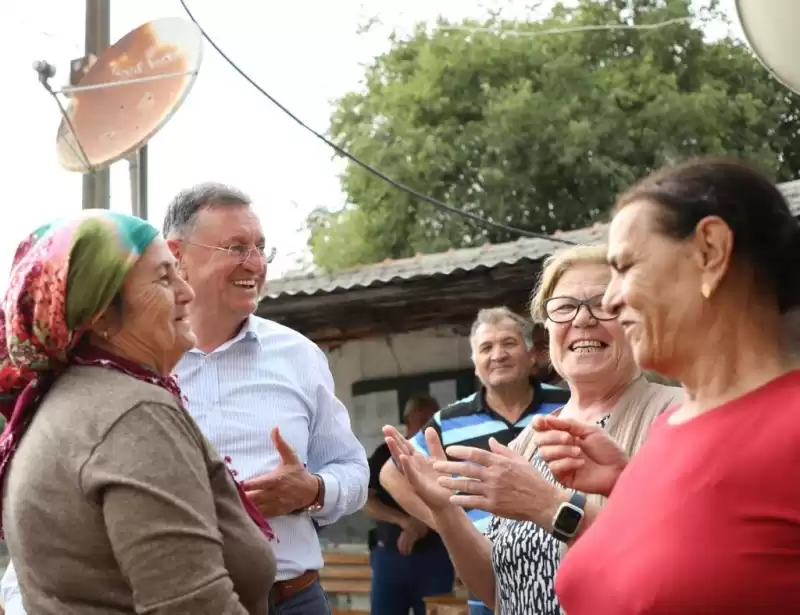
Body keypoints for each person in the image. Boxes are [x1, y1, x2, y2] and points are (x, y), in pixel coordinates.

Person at [534, 158, 800, 614]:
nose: (612, 302)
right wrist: (627, 486)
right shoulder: (667, 430)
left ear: (709, 251)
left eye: (626, 267)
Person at [382, 244, 683, 615]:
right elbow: (496, 590)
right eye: (565, 307)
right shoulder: (531, 439)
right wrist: (446, 513)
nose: (582, 320)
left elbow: (679, 572)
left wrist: (549, 505)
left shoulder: (679, 416)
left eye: (603, 303)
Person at [0, 210, 275, 614]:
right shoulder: (134, 413)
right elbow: (194, 605)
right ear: (101, 314)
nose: (187, 292)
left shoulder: (63, 402)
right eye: (164, 278)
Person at [163, 182, 369, 613]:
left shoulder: (299, 355)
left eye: (260, 247)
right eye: (236, 247)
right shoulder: (143, 362)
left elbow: (352, 469)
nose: (255, 264)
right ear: (176, 254)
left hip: (294, 599)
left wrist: (312, 490)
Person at [381, 307, 570, 615]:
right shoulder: (450, 421)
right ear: (475, 365)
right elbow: (391, 474)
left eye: (508, 343)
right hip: (488, 577)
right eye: (486, 348)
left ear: (531, 354)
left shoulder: (567, 405)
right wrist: (452, 526)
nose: (498, 354)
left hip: (564, 568)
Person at [364, 394, 454, 615]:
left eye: (431, 419)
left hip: (437, 556)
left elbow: (461, 504)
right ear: (406, 421)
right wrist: (405, 522)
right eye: (419, 418)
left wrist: (423, 523)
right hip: (389, 558)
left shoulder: (446, 456)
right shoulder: (384, 454)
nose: (425, 425)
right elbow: (364, 502)